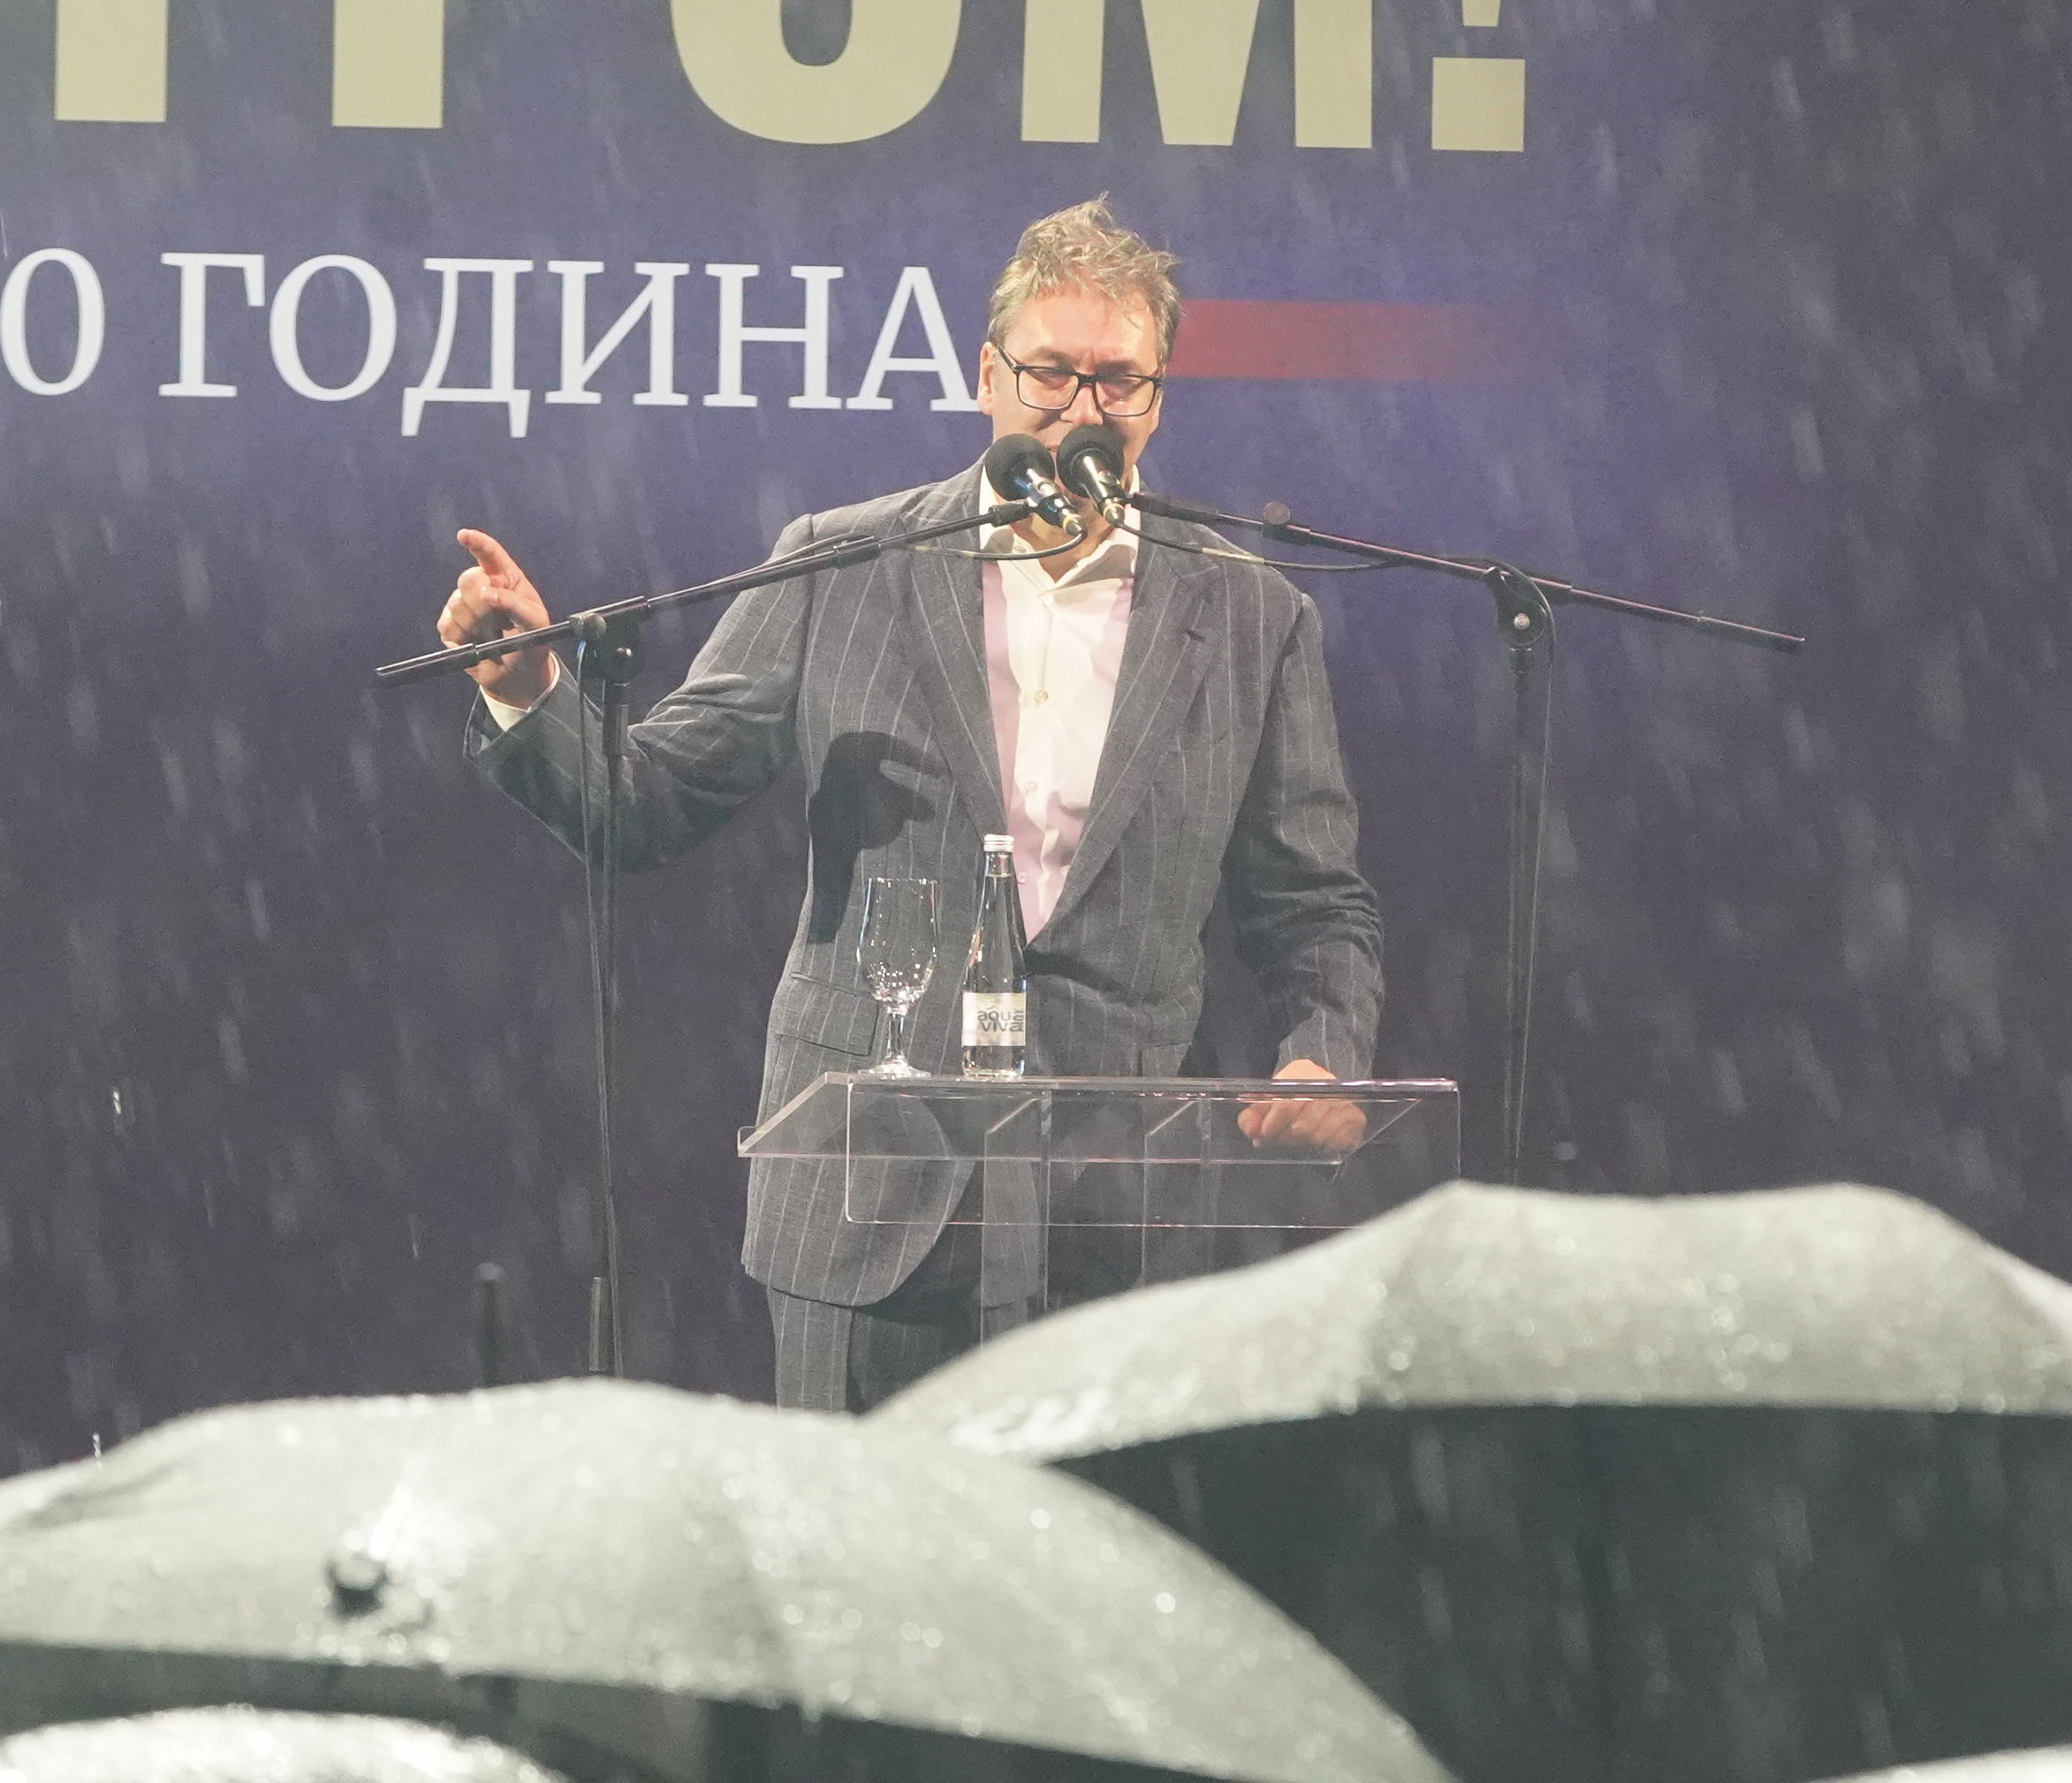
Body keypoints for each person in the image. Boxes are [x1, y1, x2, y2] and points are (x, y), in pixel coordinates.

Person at [439, 199, 1383, 1409]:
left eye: (1119, 380)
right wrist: (530, 690)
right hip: (871, 1209)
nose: (1082, 407)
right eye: (1050, 372)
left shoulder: (1252, 615)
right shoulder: (844, 564)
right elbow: (647, 804)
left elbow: (1314, 904)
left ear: (1158, 399)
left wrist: (1321, 1057)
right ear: (988, 377)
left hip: (1118, 1230)